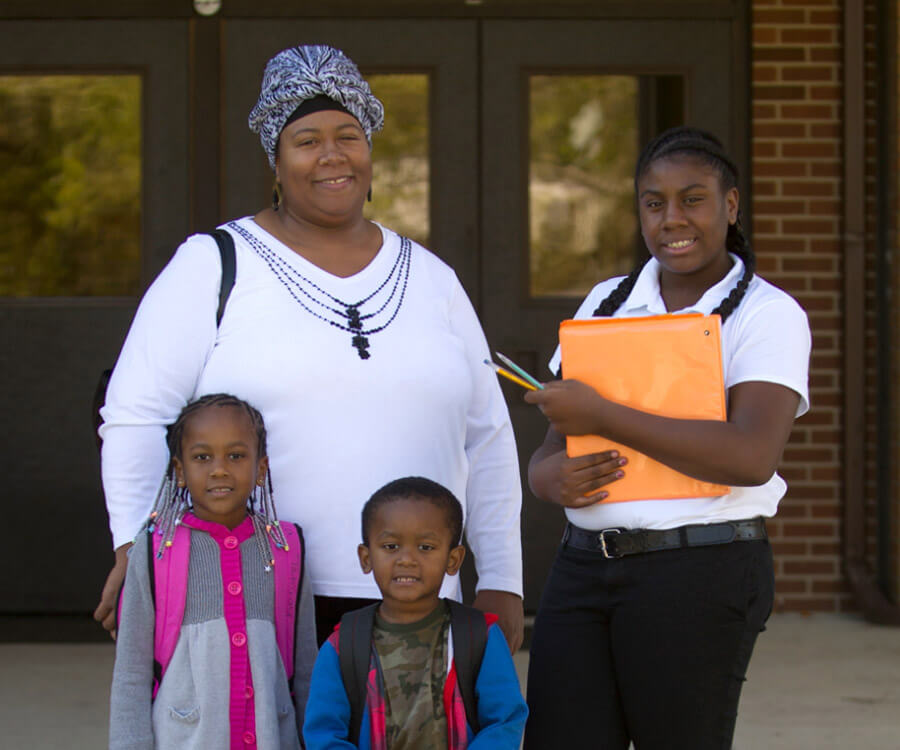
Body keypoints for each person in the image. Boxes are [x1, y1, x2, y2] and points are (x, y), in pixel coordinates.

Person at [94, 44, 523, 652]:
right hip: (255, 598)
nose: (331, 156)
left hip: (418, 602)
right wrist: (138, 555)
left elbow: (488, 436)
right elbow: (136, 417)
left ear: (371, 150)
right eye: (307, 140)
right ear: (276, 160)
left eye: (348, 135)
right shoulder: (213, 265)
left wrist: (503, 578)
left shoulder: (432, 278)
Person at [521, 127, 811, 749]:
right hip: (583, 565)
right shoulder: (609, 301)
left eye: (692, 199)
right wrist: (547, 478)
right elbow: (552, 446)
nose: (671, 219)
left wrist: (604, 413)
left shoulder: (767, 314)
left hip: (699, 570)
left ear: (730, 206)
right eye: (654, 203)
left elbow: (751, 456)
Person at [109, 393, 317, 749]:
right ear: (180, 471)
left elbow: (306, 672)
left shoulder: (286, 547)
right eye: (202, 457)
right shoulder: (155, 550)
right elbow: (132, 674)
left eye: (235, 456)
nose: (219, 469)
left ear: (261, 468)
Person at [303, 477, 528, 749]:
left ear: (453, 559)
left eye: (426, 547)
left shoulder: (480, 637)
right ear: (366, 558)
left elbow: (505, 721)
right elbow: (323, 734)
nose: (407, 559)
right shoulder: (343, 645)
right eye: (390, 546)